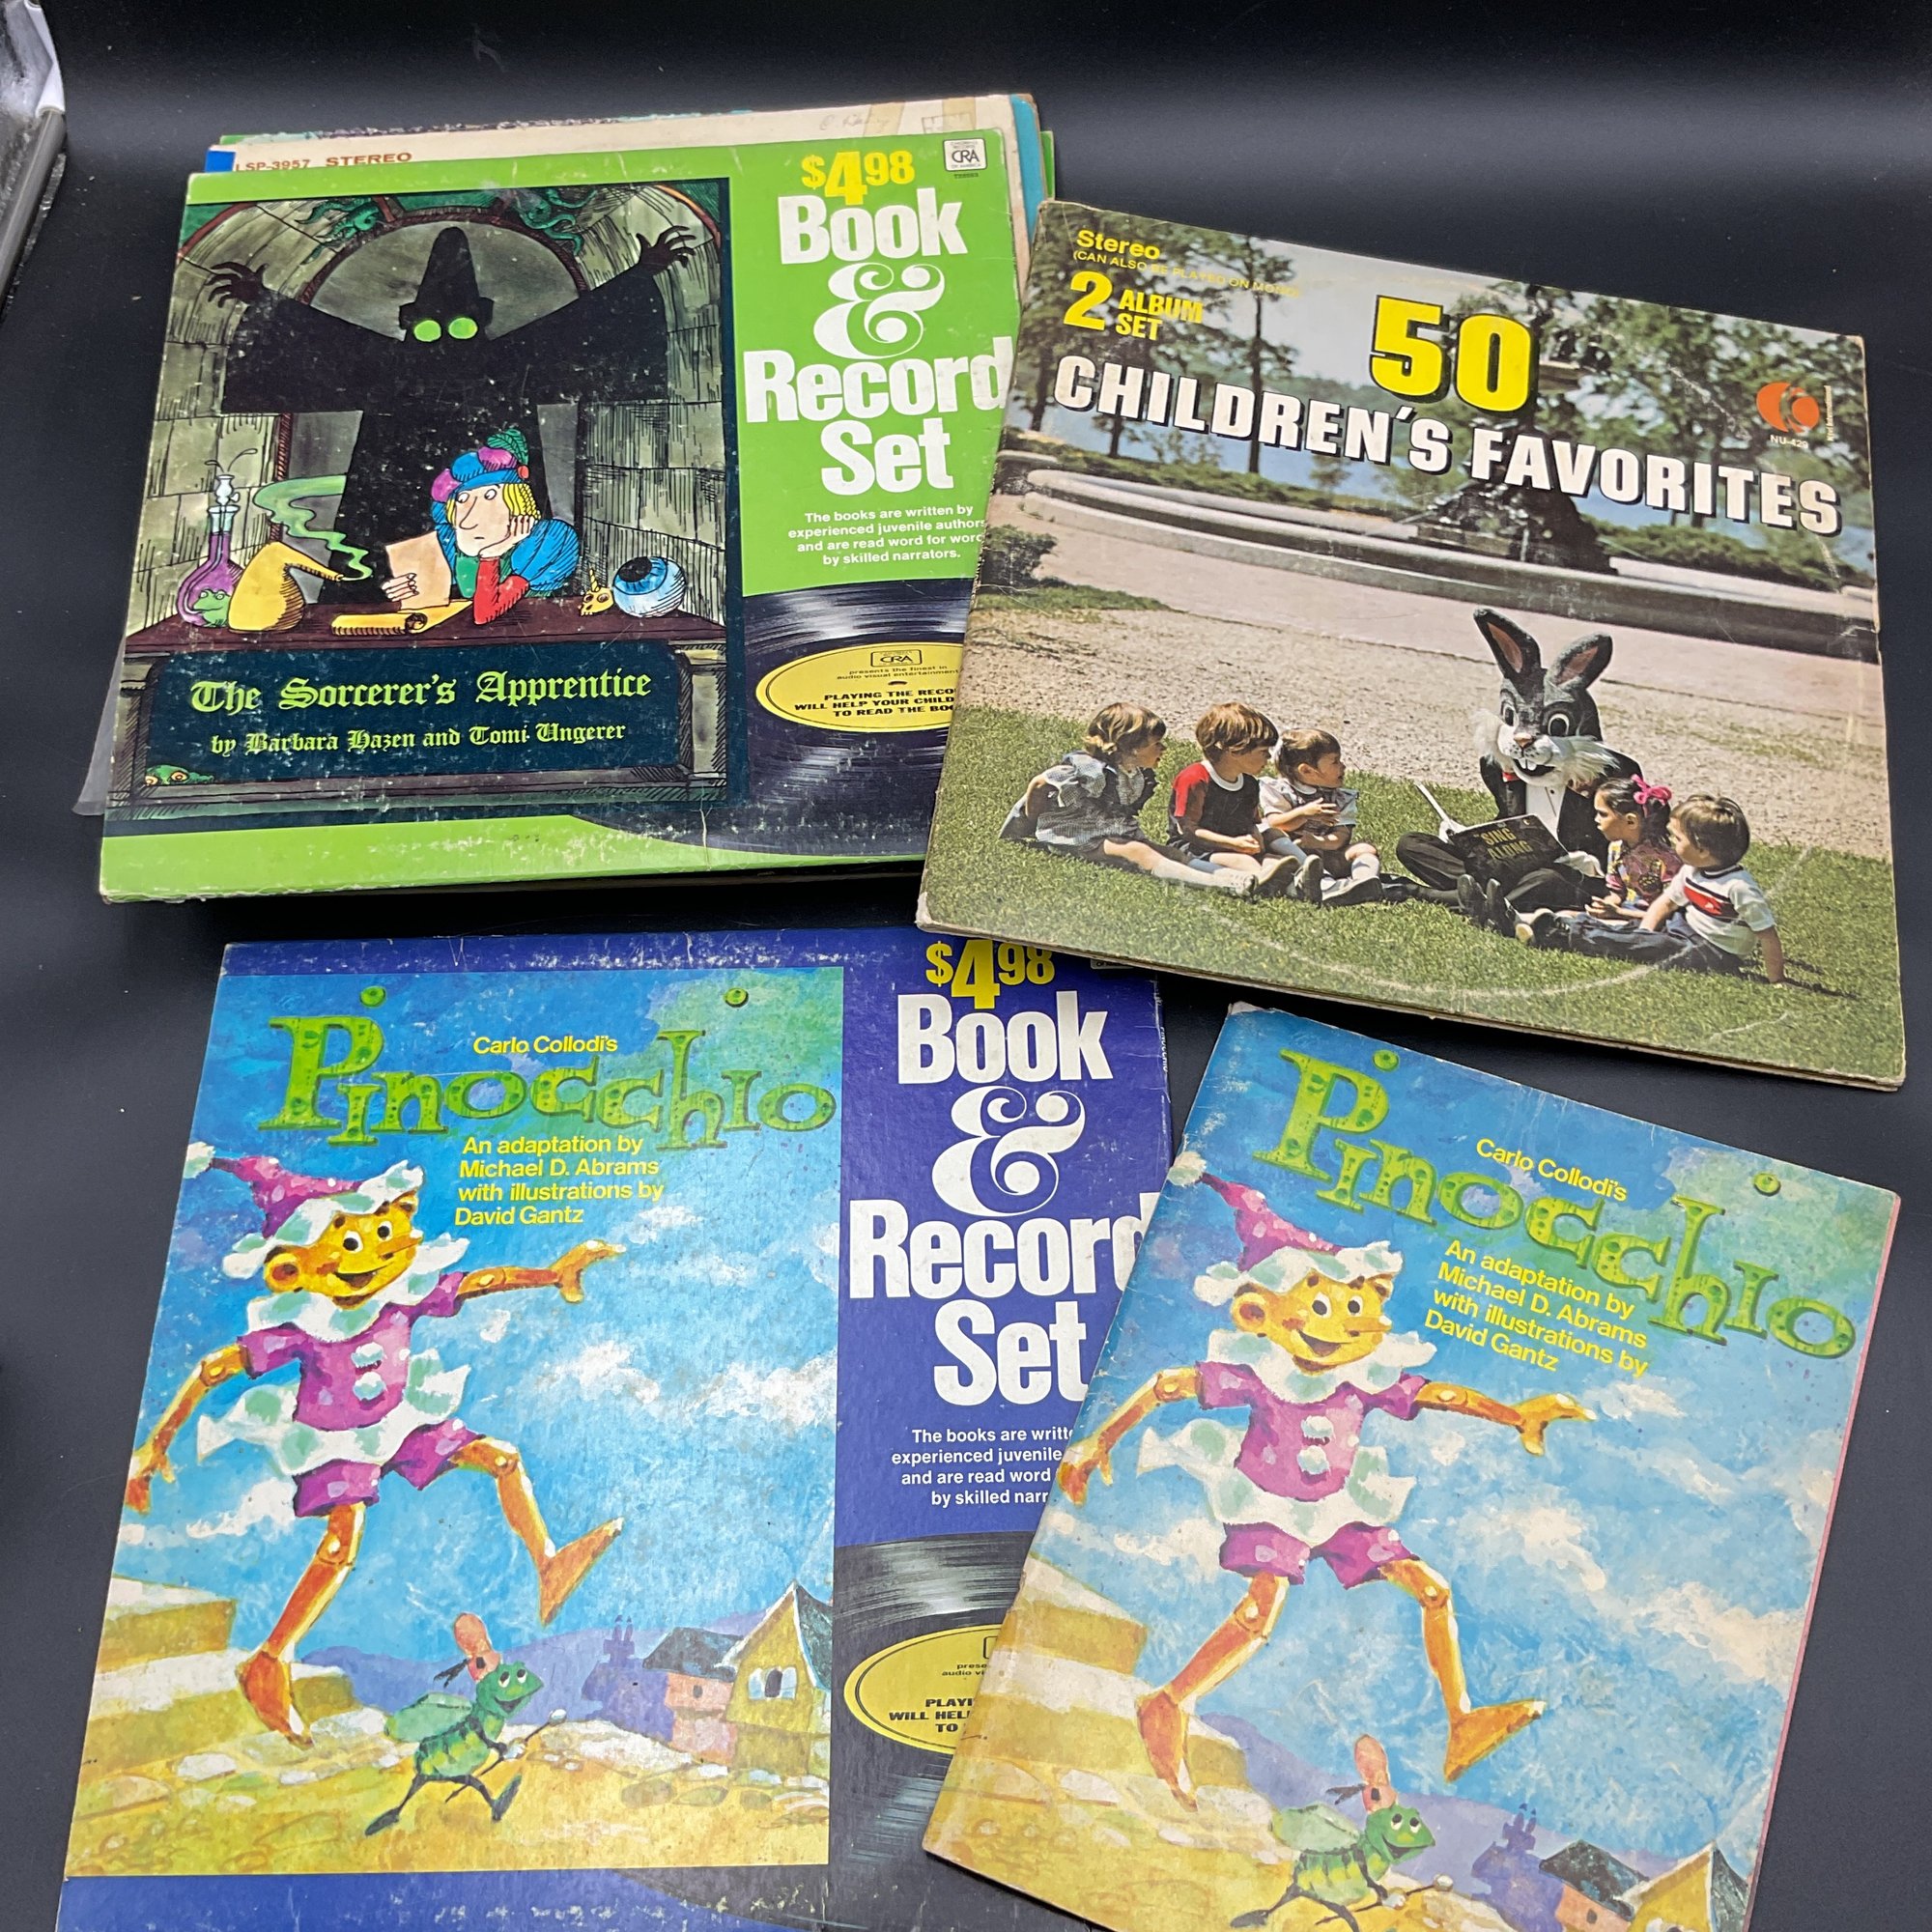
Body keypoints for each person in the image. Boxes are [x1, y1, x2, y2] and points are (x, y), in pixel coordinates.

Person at [1055, 1153, 1588, 1803]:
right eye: (1322, 1304)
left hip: (1338, 1506)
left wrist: (1514, 1415)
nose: (1349, 1321)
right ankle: (1169, 1703)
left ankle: (1463, 1722)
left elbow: (1440, 1396)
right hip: (1269, 1503)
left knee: (1433, 1590)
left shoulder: (1362, 1381)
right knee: (1259, 1615)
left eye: (1356, 1305)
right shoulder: (1258, 1374)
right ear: (1259, 1315)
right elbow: (1169, 1385)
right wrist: (1098, 1441)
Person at [1519, 793, 1784, 981]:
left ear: (1702, 849)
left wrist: (1777, 979)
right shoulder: (1692, 870)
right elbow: (1666, 903)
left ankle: (1562, 931)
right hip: (1683, 927)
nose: (1672, 843)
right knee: (1635, 932)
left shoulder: (1739, 888)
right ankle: (1553, 920)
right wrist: (1644, 931)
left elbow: (1767, 935)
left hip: (1713, 952)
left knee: (1643, 946)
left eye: (1677, 839)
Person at [1001, 702, 1259, 895]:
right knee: (1137, 851)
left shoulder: (1135, 773)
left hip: (1110, 830)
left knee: (1168, 851)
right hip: (1077, 836)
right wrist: (1031, 821)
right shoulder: (1092, 770)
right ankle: (1221, 884)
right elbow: (1040, 783)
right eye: (1156, 744)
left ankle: (1233, 875)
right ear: (1131, 748)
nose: (1163, 749)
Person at [384, 427, 580, 624]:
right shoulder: (454, 550)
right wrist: (415, 588)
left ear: (518, 502)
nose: (468, 519)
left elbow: (485, 613)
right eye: (462, 499)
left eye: (489, 496)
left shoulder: (547, 542)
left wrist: (493, 554)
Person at [1167, 702, 1301, 894]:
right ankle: (1270, 883)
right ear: (1234, 750)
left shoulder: (1249, 784)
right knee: (1244, 861)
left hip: (1235, 842)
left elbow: (1251, 821)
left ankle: (1309, 875)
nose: (1269, 757)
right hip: (1195, 847)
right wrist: (1233, 844)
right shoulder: (1196, 778)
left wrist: (1254, 835)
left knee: (1274, 839)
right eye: (1263, 751)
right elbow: (1187, 830)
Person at [1262, 727, 1384, 906]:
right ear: (1307, 770)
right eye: (1335, 761)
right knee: (1272, 846)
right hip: (1293, 858)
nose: (1343, 766)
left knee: (1365, 848)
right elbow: (1276, 824)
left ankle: (1365, 882)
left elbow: (1341, 836)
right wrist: (1303, 814)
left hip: (1327, 855)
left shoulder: (1340, 798)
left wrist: (1317, 842)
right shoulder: (1279, 791)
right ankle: (1324, 884)